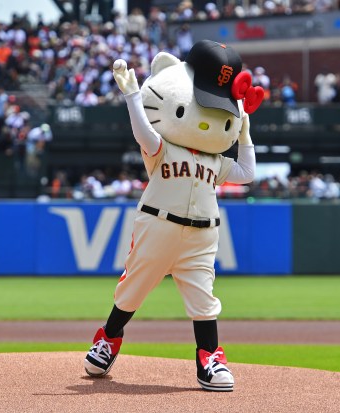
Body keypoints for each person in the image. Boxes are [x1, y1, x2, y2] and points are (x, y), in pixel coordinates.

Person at [84, 40, 258, 392]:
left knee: (204, 300)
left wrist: (244, 133)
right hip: (158, 225)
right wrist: (133, 95)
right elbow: (144, 134)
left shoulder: (215, 161)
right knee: (132, 290)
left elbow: (247, 173)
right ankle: (109, 338)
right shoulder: (163, 150)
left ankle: (209, 358)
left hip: (202, 236)